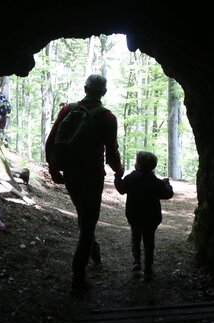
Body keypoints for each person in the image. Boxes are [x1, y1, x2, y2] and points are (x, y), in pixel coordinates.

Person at [45, 74, 124, 292]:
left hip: (71, 173)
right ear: (104, 93)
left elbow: (51, 141)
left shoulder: (68, 110)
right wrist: (119, 171)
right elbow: (112, 154)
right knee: (88, 223)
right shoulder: (108, 118)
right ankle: (78, 279)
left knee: (84, 213)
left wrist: (53, 167)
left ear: (85, 88)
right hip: (92, 175)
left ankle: (94, 250)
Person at [114, 151, 174, 282]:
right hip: (151, 218)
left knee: (135, 238)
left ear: (139, 165)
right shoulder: (156, 182)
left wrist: (118, 176)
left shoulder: (131, 178)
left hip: (134, 215)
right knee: (149, 242)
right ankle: (148, 267)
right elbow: (168, 194)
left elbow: (121, 189)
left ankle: (136, 262)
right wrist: (167, 184)